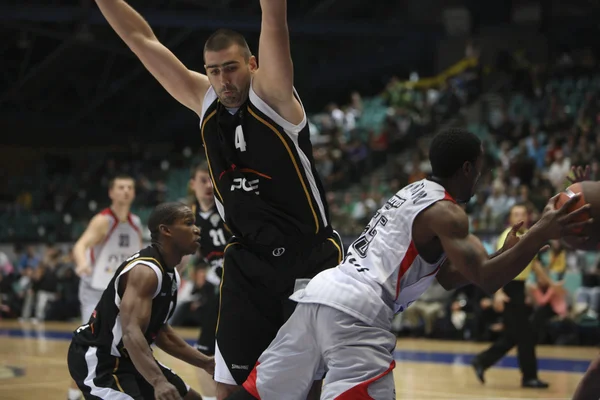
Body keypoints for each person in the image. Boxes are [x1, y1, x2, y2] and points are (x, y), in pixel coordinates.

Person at [226, 128, 592, 400]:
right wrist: (543, 231)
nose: (480, 177)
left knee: (260, 394)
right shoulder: (449, 214)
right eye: (479, 168)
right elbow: (486, 279)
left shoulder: (413, 191)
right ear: (467, 168)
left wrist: (504, 250)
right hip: (358, 313)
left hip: (320, 296)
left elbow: (449, 278)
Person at [94, 1, 342, 398]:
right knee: (227, 387)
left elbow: (274, 17)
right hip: (247, 259)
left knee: (303, 389)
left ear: (253, 65)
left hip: (307, 257)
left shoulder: (275, 97)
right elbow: (140, 40)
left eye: (231, 68)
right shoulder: (203, 98)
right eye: (213, 70)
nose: (223, 80)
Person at [67, 202, 214, 400]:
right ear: (166, 230)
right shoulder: (145, 271)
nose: (196, 230)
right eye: (188, 224)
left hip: (131, 358)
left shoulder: (170, 274)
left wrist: (205, 362)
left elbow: (162, 333)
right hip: (102, 359)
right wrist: (158, 381)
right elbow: (131, 332)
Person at [68, 173, 142, 400]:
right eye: (121, 187)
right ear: (111, 192)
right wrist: (82, 263)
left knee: (126, 344)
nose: (126, 191)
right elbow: (81, 245)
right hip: (95, 290)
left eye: (130, 187)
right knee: (91, 346)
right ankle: (72, 394)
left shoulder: (136, 222)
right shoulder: (103, 220)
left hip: (120, 293)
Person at [471, 203, 553, 388]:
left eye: (522, 213)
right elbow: (499, 265)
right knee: (526, 335)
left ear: (528, 217)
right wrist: (498, 293)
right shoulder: (508, 236)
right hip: (508, 288)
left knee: (514, 335)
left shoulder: (528, 236)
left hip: (519, 289)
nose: (519, 216)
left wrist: (551, 284)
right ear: (510, 218)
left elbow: (535, 264)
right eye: (516, 214)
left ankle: (482, 361)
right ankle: (529, 377)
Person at [190, 162, 231, 400]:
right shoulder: (188, 218)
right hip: (222, 289)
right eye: (202, 180)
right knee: (204, 352)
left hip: (245, 285)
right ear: (192, 184)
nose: (208, 185)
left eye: (211, 180)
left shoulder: (228, 208)